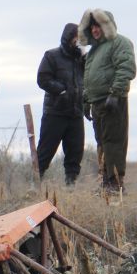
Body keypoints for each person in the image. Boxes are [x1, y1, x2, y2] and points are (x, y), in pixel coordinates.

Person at [79, 9, 136, 193]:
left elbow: (126, 68)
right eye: (92, 27)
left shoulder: (120, 42)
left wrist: (115, 94)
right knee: (102, 142)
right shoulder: (94, 51)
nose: (95, 30)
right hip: (97, 102)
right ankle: (106, 182)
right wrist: (86, 101)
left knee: (114, 141)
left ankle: (116, 183)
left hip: (113, 100)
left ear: (107, 25)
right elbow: (88, 77)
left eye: (99, 26)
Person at [36, 23, 85, 186]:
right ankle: (34, 184)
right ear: (69, 37)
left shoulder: (81, 59)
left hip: (76, 112)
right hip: (55, 112)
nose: (78, 41)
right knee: (45, 152)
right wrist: (61, 90)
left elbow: (88, 79)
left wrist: (85, 57)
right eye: (76, 38)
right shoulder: (51, 56)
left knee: (75, 153)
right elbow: (42, 79)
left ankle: (71, 185)